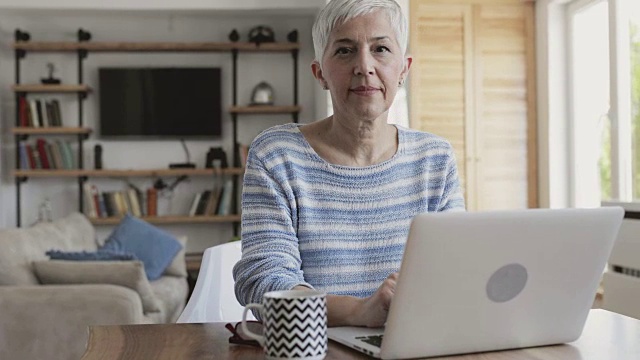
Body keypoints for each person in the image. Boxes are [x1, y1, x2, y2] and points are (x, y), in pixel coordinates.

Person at [233, 0, 465, 328]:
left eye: (381, 48)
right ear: (320, 74)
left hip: (415, 343)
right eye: (345, 51)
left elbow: (456, 272)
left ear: (403, 69)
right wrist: (359, 311)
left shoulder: (435, 159)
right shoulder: (277, 155)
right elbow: (264, 285)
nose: (364, 66)